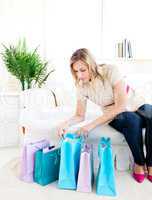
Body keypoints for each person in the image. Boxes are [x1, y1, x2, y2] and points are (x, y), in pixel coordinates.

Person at [57, 48, 152, 183]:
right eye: (76, 71)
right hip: (116, 114)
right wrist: (64, 124)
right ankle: (139, 163)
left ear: (92, 65)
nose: (79, 75)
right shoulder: (81, 86)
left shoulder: (110, 71)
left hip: (135, 102)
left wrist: (90, 126)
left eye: (82, 70)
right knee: (132, 120)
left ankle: (151, 164)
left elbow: (121, 104)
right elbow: (79, 115)